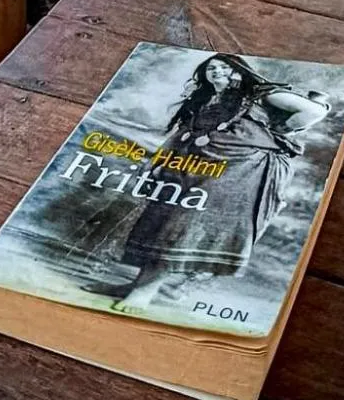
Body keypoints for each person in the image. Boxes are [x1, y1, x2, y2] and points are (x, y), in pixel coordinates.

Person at [104, 53, 331, 313]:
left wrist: (281, 130)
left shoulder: (260, 94)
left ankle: (145, 292)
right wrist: (158, 160)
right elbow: (181, 133)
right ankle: (136, 286)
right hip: (193, 166)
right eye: (212, 68)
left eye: (225, 67)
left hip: (240, 170)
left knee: (185, 225)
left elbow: (312, 110)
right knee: (163, 220)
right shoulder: (204, 99)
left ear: (240, 71)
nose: (218, 71)